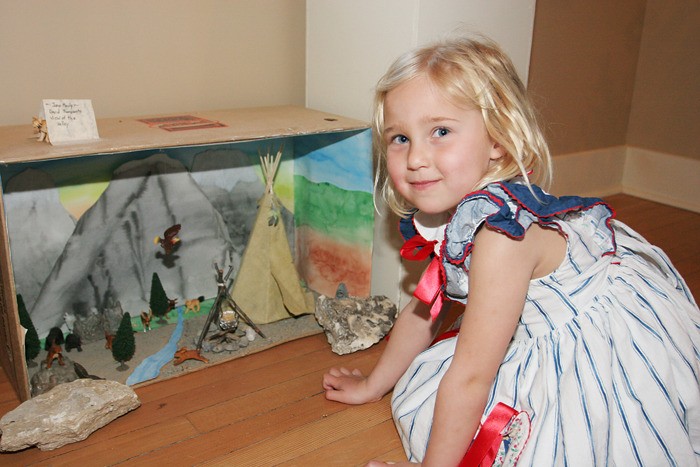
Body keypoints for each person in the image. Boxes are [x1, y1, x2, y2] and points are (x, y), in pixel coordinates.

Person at [322, 35, 700, 466]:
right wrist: (374, 385)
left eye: (440, 131)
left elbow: (471, 377)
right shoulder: (457, 211)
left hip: (603, 343)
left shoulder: (500, 237)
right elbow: (426, 305)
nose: (415, 158)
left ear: (498, 141)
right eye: (399, 138)